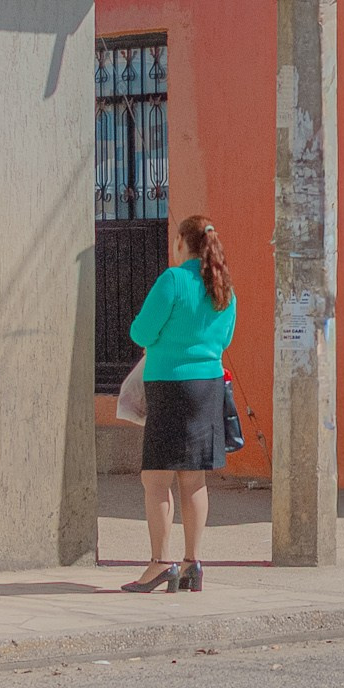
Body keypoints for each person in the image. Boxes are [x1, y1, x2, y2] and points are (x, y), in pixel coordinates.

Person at [123, 213, 237, 593]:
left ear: (181, 243)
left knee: (155, 478)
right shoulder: (223, 287)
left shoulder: (172, 280)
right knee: (194, 478)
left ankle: (159, 564)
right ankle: (192, 563)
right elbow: (225, 340)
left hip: (170, 386)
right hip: (209, 387)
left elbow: (141, 330)